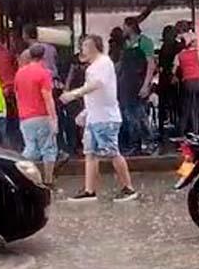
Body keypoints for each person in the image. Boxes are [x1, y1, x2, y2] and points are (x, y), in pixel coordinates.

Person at [60, 35, 138, 202]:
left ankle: (128, 188)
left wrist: (74, 94)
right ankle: (89, 191)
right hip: (95, 117)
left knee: (112, 152)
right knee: (90, 153)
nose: (82, 50)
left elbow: (98, 84)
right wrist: (86, 112)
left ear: (94, 47)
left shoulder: (103, 63)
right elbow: (98, 92)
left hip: (105, 118)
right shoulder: (94, 66)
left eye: (85, 46)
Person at [16, 44, 58, 187]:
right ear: (44, 56)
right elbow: (48, 97)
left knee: (30, 149)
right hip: (42, 116)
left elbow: (18, 96)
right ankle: (48, 181)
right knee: (48, 149)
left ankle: (24, 178)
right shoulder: (44, 73)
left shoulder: (19, 73)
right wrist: (54, 118)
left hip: (25, 117)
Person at [117, 17, 156, 154]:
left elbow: (151, 64)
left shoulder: (144, 42)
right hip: (126, 85)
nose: (123, 30)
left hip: (139, 83)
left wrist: (146, 85)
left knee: (140, 114)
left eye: (124, 27)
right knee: (129, 116)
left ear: (131, 27)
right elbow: (121, 65)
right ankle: (135, 145)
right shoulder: (126, 45)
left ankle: (150, 142)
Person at [174, 31, 199, 135]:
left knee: (186, 110)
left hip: (187, 84)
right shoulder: (198, 53)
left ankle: (182, 133)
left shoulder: (179, 55)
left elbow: (173, 71)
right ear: (192, 42)